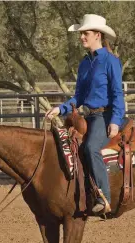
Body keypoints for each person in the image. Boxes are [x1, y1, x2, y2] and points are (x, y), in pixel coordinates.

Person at [45, 14, 125, 215]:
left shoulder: (110, 61)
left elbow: (117, 93)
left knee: (90, 148)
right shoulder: (84, 63)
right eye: (81, 34)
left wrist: (115, 121)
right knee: (64, 145)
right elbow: (79, 97)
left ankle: (103, 197)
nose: (81, 37)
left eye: (85, 33)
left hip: (104, 116)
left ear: (97, 35)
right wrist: (60, 109)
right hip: (87, 116)